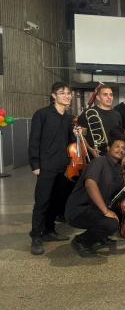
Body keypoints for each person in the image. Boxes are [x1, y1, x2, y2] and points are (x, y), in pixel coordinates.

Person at [65, 133, 125, 256]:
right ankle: (81, 241)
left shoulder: (118, 169)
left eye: (124, 148)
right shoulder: (99, 162)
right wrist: (105, 211)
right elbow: (90, 184)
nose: (121, 150)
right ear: (108, 148)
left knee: (124, 210)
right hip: (79, 210)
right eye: (117, 146)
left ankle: (100, 237)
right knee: (111, 223)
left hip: (95, 208)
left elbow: (119, 193)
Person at [28, 82, 75, 255]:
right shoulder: (42, 114)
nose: (67, 96)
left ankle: (49, 230)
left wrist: (77, 134)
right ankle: (36, 236)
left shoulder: (69, 118)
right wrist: (35, 164)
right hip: (46, 166)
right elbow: (34, 140)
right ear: (54, 96)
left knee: (57, 201)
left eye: (69, 93)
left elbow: (71, 144)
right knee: (42, 202)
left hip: (64, 166)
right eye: (62, 93)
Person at [78, 85, 123, 155]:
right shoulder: (88, 113)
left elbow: (120, 136)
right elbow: (81, 136)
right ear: (98, 97)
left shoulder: (117, 114)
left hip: (114, 156)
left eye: (111, 95)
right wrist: (91, 150)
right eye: (105, 95)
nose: (109, 97)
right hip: (94, 155)